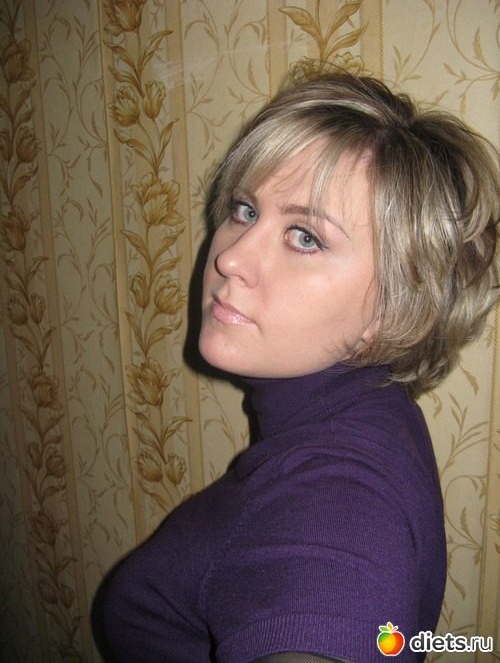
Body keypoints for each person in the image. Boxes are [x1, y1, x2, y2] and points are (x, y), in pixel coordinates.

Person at [96, 72, 499, 662]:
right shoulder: (375, 410)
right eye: (244, 209)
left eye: (305, 237)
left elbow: (327, 583)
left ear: (393, 309)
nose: (230, 257)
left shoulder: (337, 497)